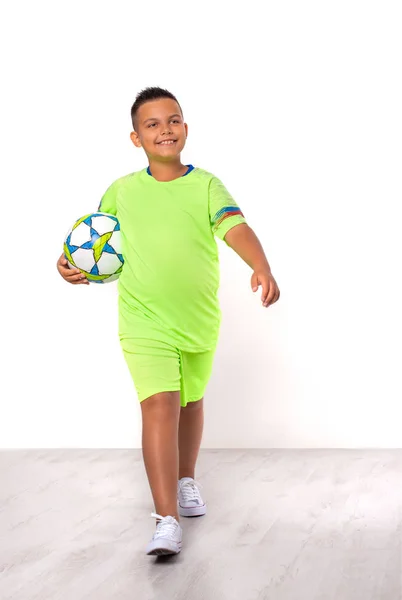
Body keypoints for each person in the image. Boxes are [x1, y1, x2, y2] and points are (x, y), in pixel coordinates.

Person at [56, 87, 280, 556]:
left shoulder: (206, 185)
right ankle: (165, 519)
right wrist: (68, 264)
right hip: (142, 320)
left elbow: (236, 227)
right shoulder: (121, 190)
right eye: (152, 124)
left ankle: (185, 480)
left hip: (197, 320)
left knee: (190, 404)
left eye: (172, 120)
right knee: (160, 402)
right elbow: (95, 242)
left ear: (185, 128)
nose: (164, 129)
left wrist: (260, 265)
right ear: (136, 137)